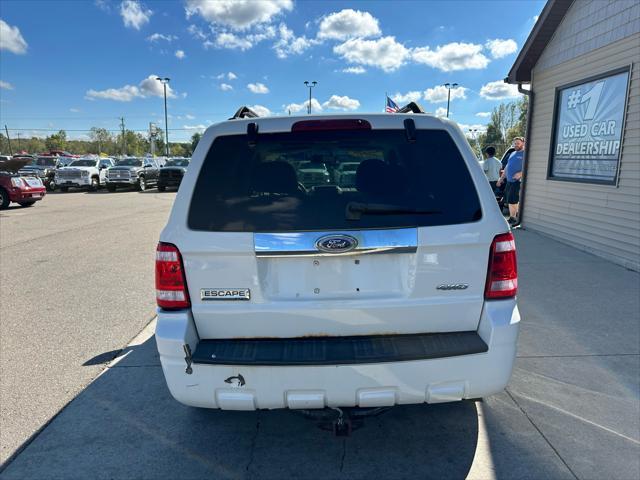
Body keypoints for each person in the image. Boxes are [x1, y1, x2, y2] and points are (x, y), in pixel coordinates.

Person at [497, 137, 524, 225]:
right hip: (509, 181)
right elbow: (507, 167)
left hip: (517, 181)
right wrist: (501, 179)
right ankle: (512, 217)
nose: (516, 145)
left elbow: (529, 166)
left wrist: (520, 173)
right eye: (515, 143)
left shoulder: (525, 154)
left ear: (522, 143)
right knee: (509, 200)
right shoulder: (512, 153)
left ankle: (515, 218)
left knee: (514, 200)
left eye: (518, 143)